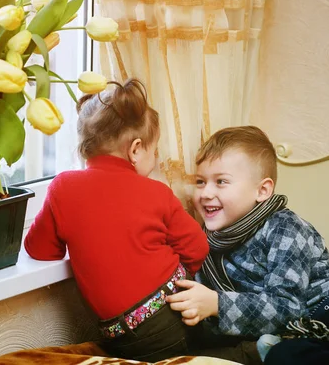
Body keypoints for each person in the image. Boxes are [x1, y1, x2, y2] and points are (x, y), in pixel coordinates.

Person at [24, 78, 209, 362]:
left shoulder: (62, 188)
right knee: (209, 345)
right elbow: (197, 248)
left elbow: (40, 249)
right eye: (155, 150)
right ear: (136, 149)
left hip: (117, 334)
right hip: (169, 317)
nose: (157, 158)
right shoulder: (157, 192)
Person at [165, 125, 329, 364]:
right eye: (200, 181)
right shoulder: (204, 245)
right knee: (283, 357)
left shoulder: (284, 226)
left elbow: (287, 307)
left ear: (262, 190)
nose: (206, 193)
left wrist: (218, 304)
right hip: (305, 332)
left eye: (221, 182)